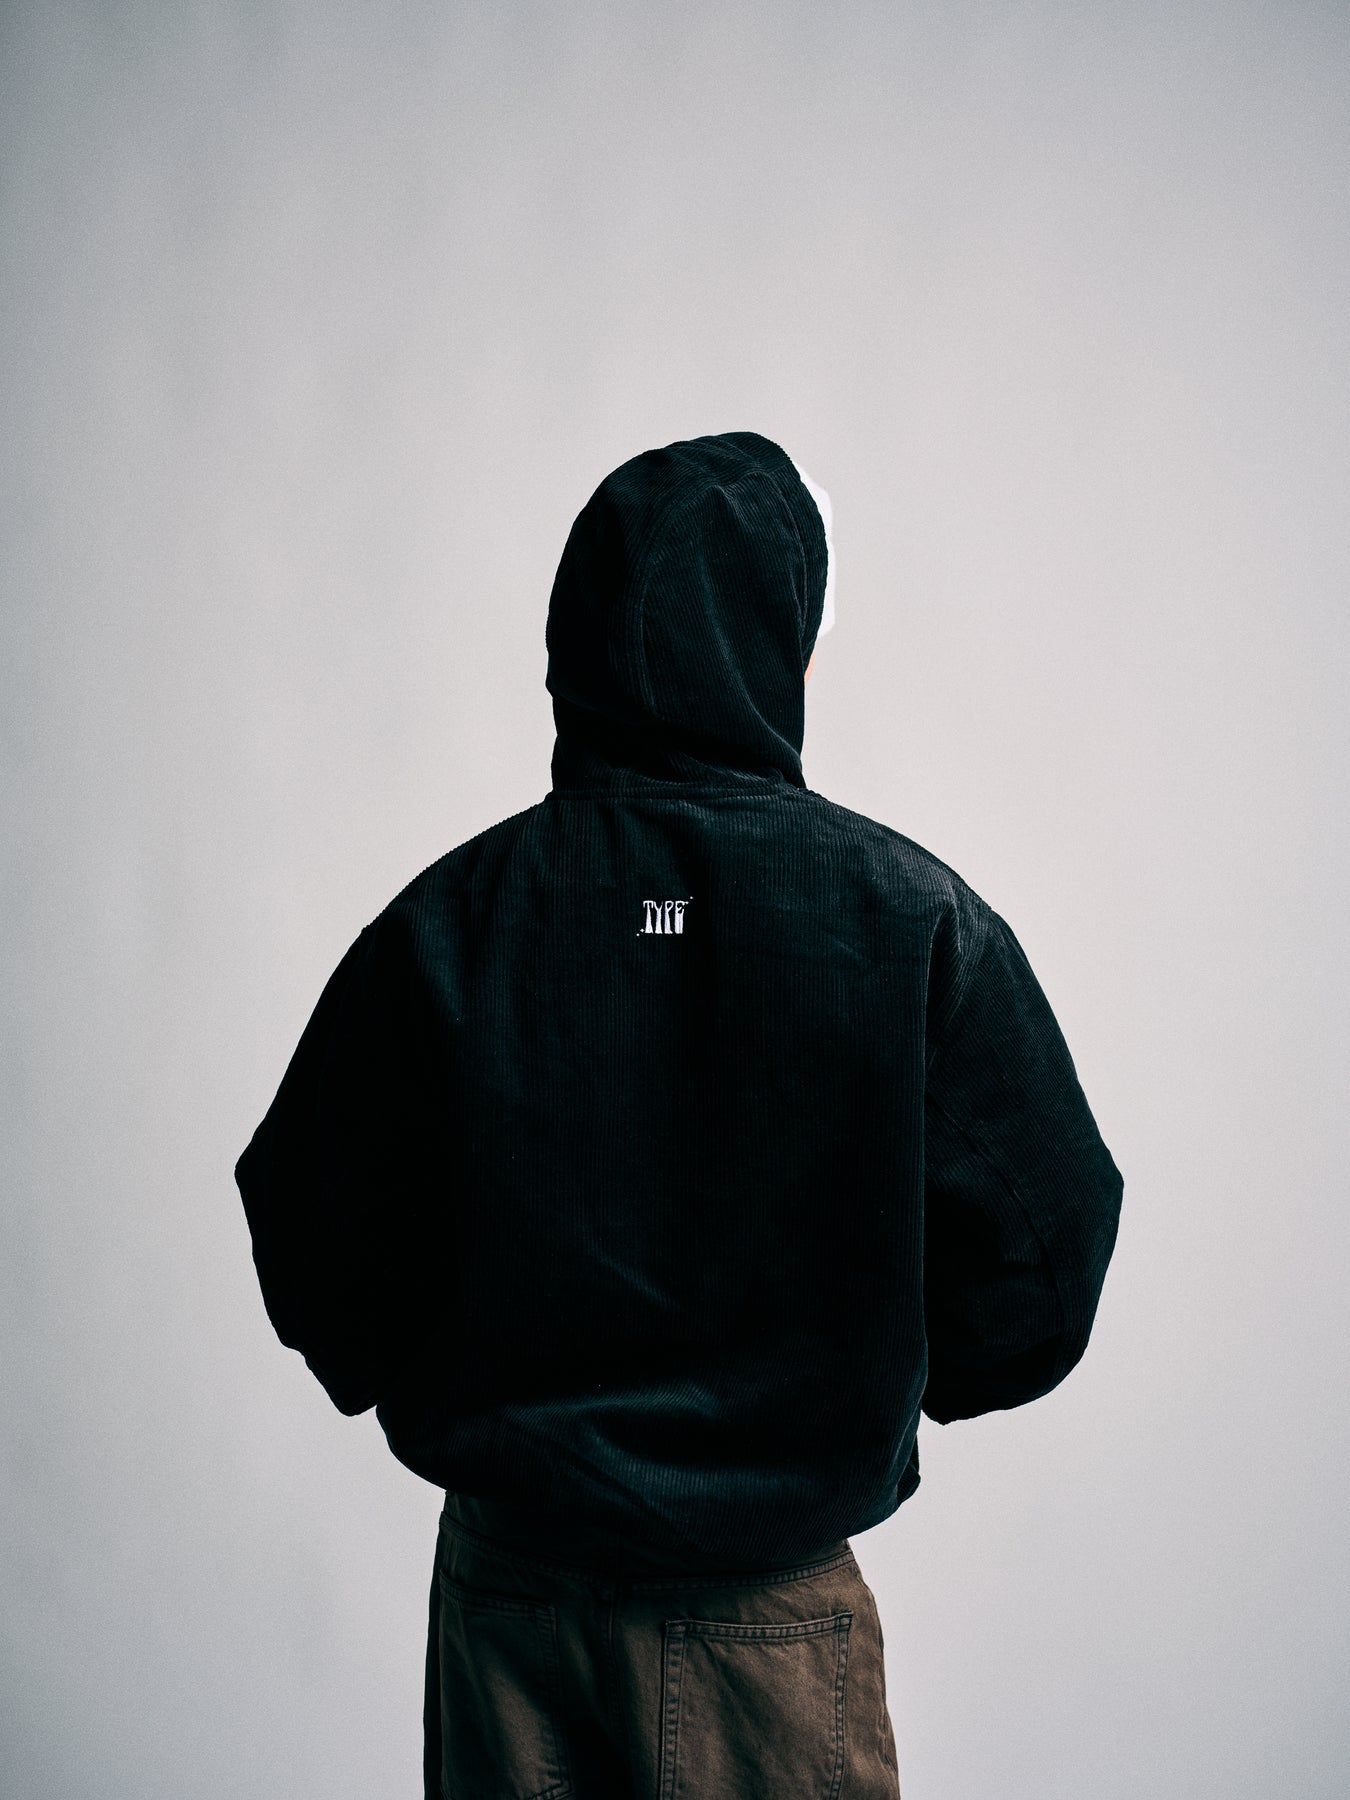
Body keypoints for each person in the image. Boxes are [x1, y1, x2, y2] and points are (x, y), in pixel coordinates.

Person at [235, 429, 1123, 1798]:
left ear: (573, 641)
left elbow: (312, 1228)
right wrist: (858, 1382)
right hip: (769, 1619)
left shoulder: (452, 924)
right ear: (789, 647)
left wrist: (478, 1390)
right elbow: (1047, 1255)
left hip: (509, 1599)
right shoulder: (911, 923)